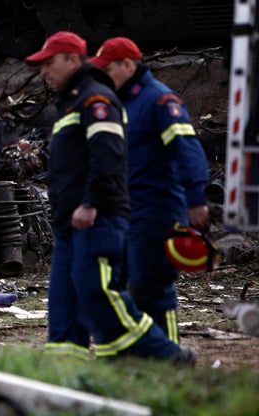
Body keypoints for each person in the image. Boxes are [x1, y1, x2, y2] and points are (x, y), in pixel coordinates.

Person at [24, 31, 194, 364]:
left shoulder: (97, 100)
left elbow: (108, 157)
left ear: (73, 60)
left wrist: (90, 203)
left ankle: (169, 355)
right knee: (65, 302)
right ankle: (66, 366)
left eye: (49, 63)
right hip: (69, 222)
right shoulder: (72, 102)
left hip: (98, 218)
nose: (44, 72)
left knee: (101, 292)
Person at [90, 37, 210, 343]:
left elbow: (188, 149)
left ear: (128, 65)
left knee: (152, 287)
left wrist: (196, 199)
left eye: (107, 69)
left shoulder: (160, 101)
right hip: (126, 211)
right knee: (121, 285)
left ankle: (169, 355)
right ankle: (139, 351)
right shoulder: (119, 103)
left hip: (157, 211)